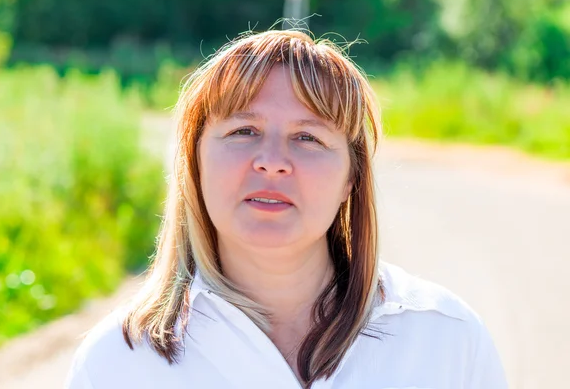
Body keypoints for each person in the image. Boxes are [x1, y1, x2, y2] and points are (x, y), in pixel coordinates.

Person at [65, 29, 508, 389]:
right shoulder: (118, 364)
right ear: (195, 162)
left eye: (308, 137)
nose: (272, 160)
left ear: (350, 181)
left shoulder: (445, 338)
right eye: (243, 130)